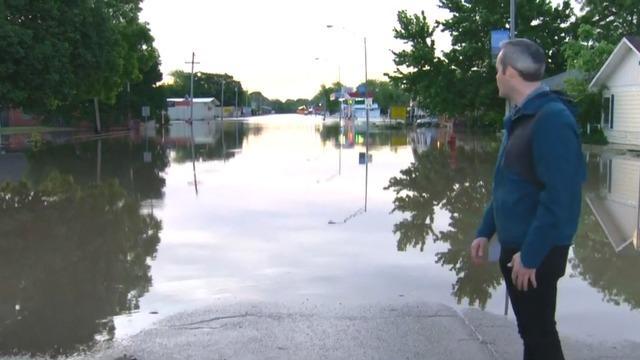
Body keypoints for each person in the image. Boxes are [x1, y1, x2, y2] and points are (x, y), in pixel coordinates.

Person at [470, 38, 586, 360]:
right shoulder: (523, 117)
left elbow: (560, 196)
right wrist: (485, 230)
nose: (495, 76)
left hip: (537, 251)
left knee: (539, 335)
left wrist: (531, 255)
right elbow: (509, 183)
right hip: (519, 247)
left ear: (509, 72)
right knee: (532, 333)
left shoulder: (552, 119)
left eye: (497, 69)